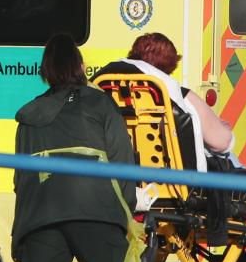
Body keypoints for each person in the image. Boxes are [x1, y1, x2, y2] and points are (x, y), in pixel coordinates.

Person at [12, 34, 137, 262]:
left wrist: (23, 228)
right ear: (80, 67)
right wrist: (125, 213)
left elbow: (20, 178)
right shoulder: (100, 104)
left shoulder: (28, 116)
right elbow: (123, 161)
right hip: (95, 209)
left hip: (42, 213)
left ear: (46, 71)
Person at [94, 32, 234, 175]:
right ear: (170, 67)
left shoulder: (103, 85)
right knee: (231, 159)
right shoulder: (177, 95)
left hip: (114, 174)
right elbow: (222, 143)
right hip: (173, 182)